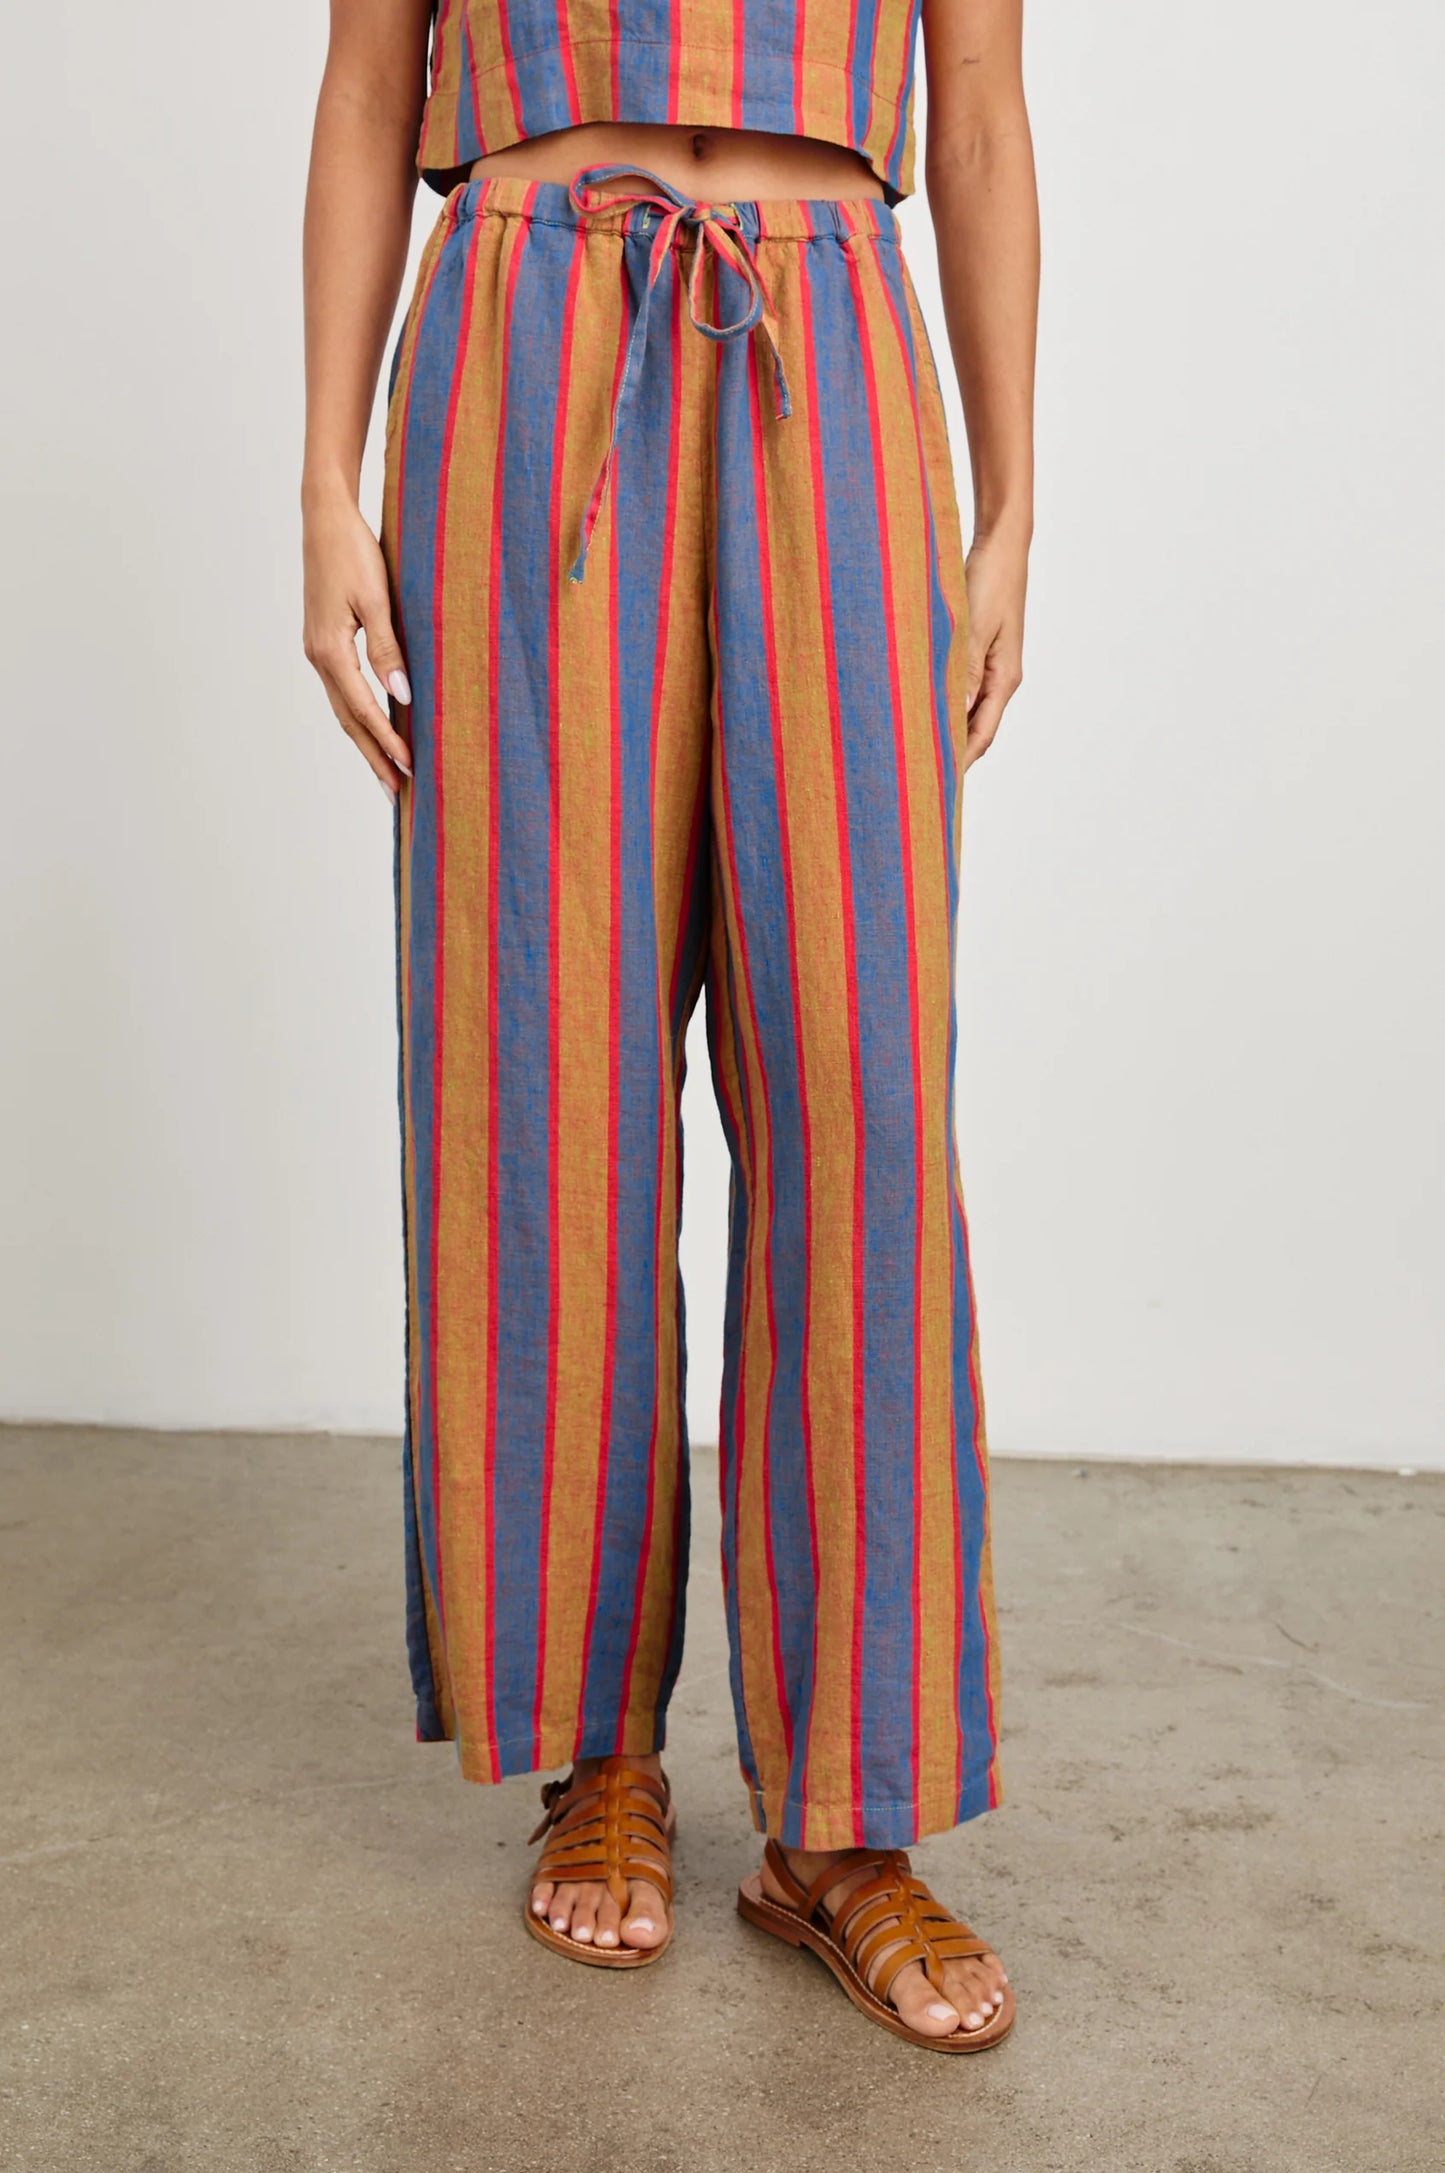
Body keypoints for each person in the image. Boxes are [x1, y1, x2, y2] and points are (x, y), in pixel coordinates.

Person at [302, 0, 1036, 2052]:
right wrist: (324, 480)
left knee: (861, 1088)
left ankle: (845, 1817)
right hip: (521, 335)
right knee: (545, 1070)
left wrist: (1011, 502)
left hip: (837, 343)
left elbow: (980, 108)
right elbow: (367, 84)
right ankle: (594, 1749)